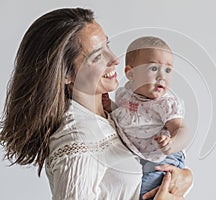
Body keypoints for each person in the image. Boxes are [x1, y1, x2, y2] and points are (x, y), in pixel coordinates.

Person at [0, 7, 192, 200]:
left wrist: (185, 178)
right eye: (98, 56)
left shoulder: (113, 114)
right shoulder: (76, 141)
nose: (115, 59)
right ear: (66, 74)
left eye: (107, 45)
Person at [109, 36, 189, 199]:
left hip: (163, 157)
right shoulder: (126, 95)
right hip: (141, 155)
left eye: (168, 70)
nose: (162, 76)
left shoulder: (165, 103)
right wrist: (108, 106)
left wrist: (172, 144)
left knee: (145, 192)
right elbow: (123, 117)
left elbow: (181, 129)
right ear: (130, 73)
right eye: (153, 68)